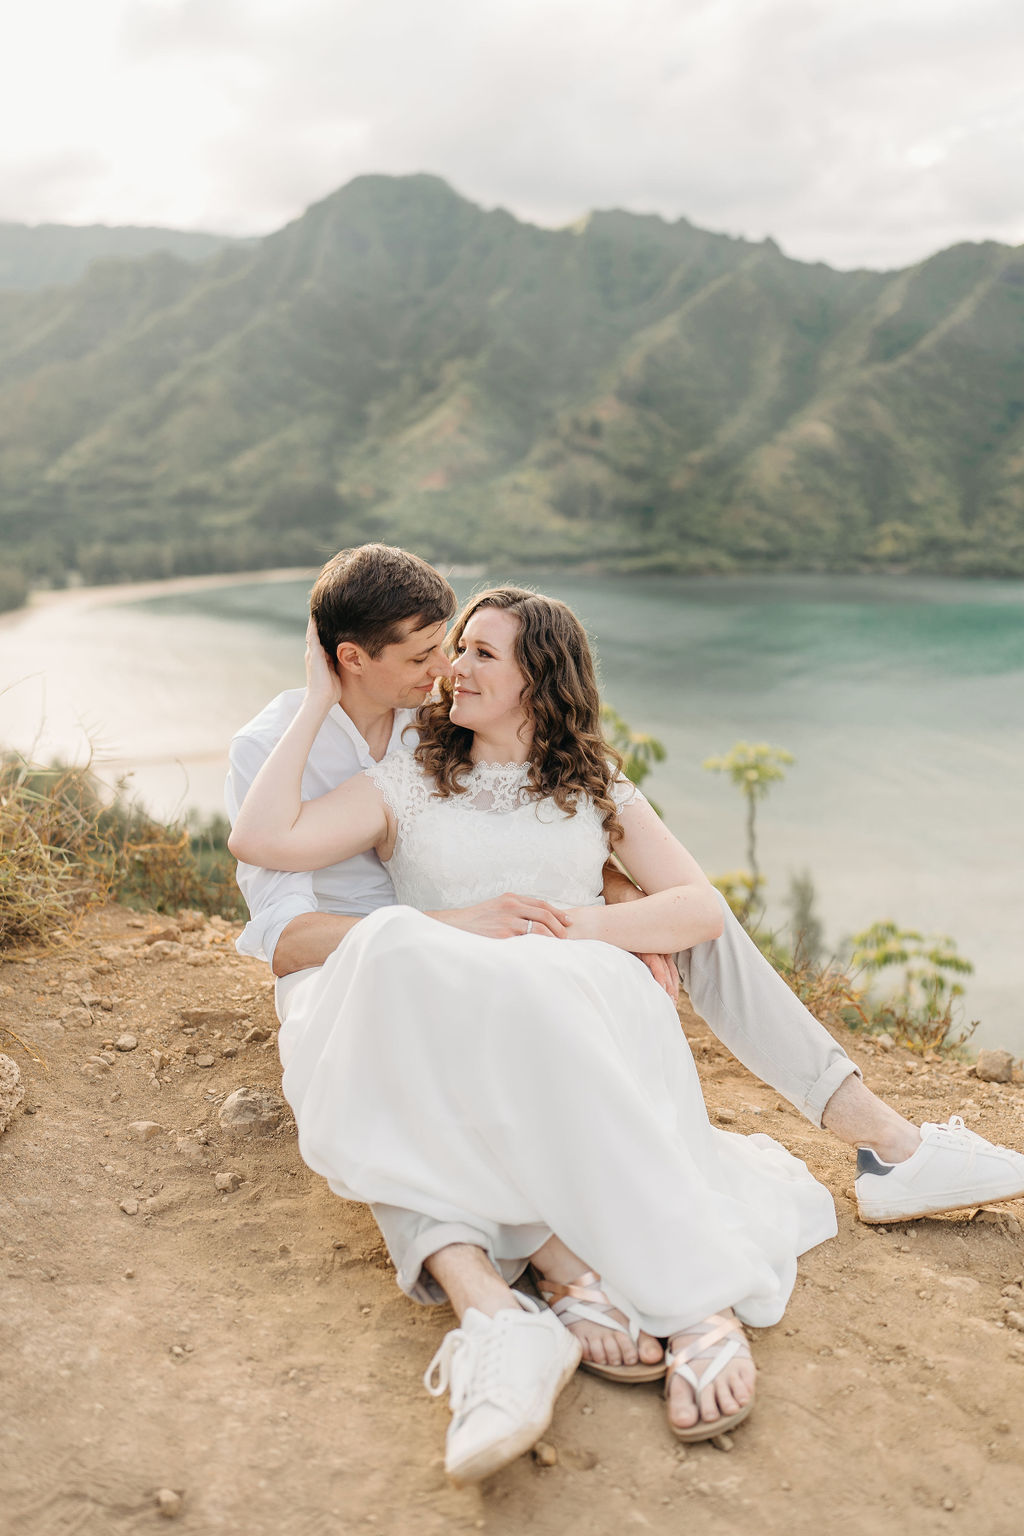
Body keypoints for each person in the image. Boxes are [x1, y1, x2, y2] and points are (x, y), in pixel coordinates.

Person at [225, 546, 1024, 1480]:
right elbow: (276, 891)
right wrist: (455, 921)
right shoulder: (366, 759)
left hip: (556, 968)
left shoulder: (523, 756)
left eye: (475, 651)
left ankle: (876, 1140)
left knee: (669, 936)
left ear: (538, 681)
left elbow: (649, 882)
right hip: (385, 970)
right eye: (445, 652)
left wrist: (597, 921)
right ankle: (584, 1289)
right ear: (354, 659)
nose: (450, 669)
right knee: (408, 962)